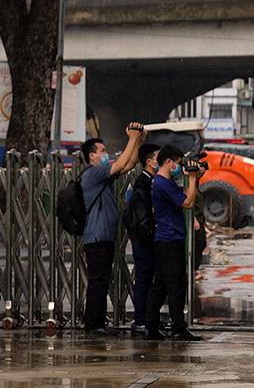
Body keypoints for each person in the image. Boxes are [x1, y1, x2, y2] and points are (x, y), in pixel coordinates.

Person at [79, 123, 145, 335]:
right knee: (97, 281)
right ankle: (93, 325)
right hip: (96, 237)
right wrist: (132, 139)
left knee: (102, 279)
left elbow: (129, 164)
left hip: (104, 237)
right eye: (102, 151)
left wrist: (138, 141)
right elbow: (119, 165)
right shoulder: (93, 173)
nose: (106, 154)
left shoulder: (102, 176)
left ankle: (98, 322)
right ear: (92, 156)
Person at [145, 145, 202, 341]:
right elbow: (187, 203)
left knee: (160, 286)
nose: (178, 167)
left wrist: (193, 178)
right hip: (170, 240)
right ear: (169, 162)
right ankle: (178, 329)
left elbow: (184, 196)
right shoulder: (162, 183)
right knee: (176, 286)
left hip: (165, 239)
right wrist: (193, 178)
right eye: (177, 163)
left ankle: (151, 328)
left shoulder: (163, 182)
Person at [125, 143, 159, 335]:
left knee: (147, 279)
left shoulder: (150, 181)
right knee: (144, 279)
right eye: (158, 158)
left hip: (146, 238)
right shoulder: (143, 182)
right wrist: (149, 233)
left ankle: (146, 318)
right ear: (149, 161)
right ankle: (140, 320)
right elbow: (143, 214)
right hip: (144, 239)